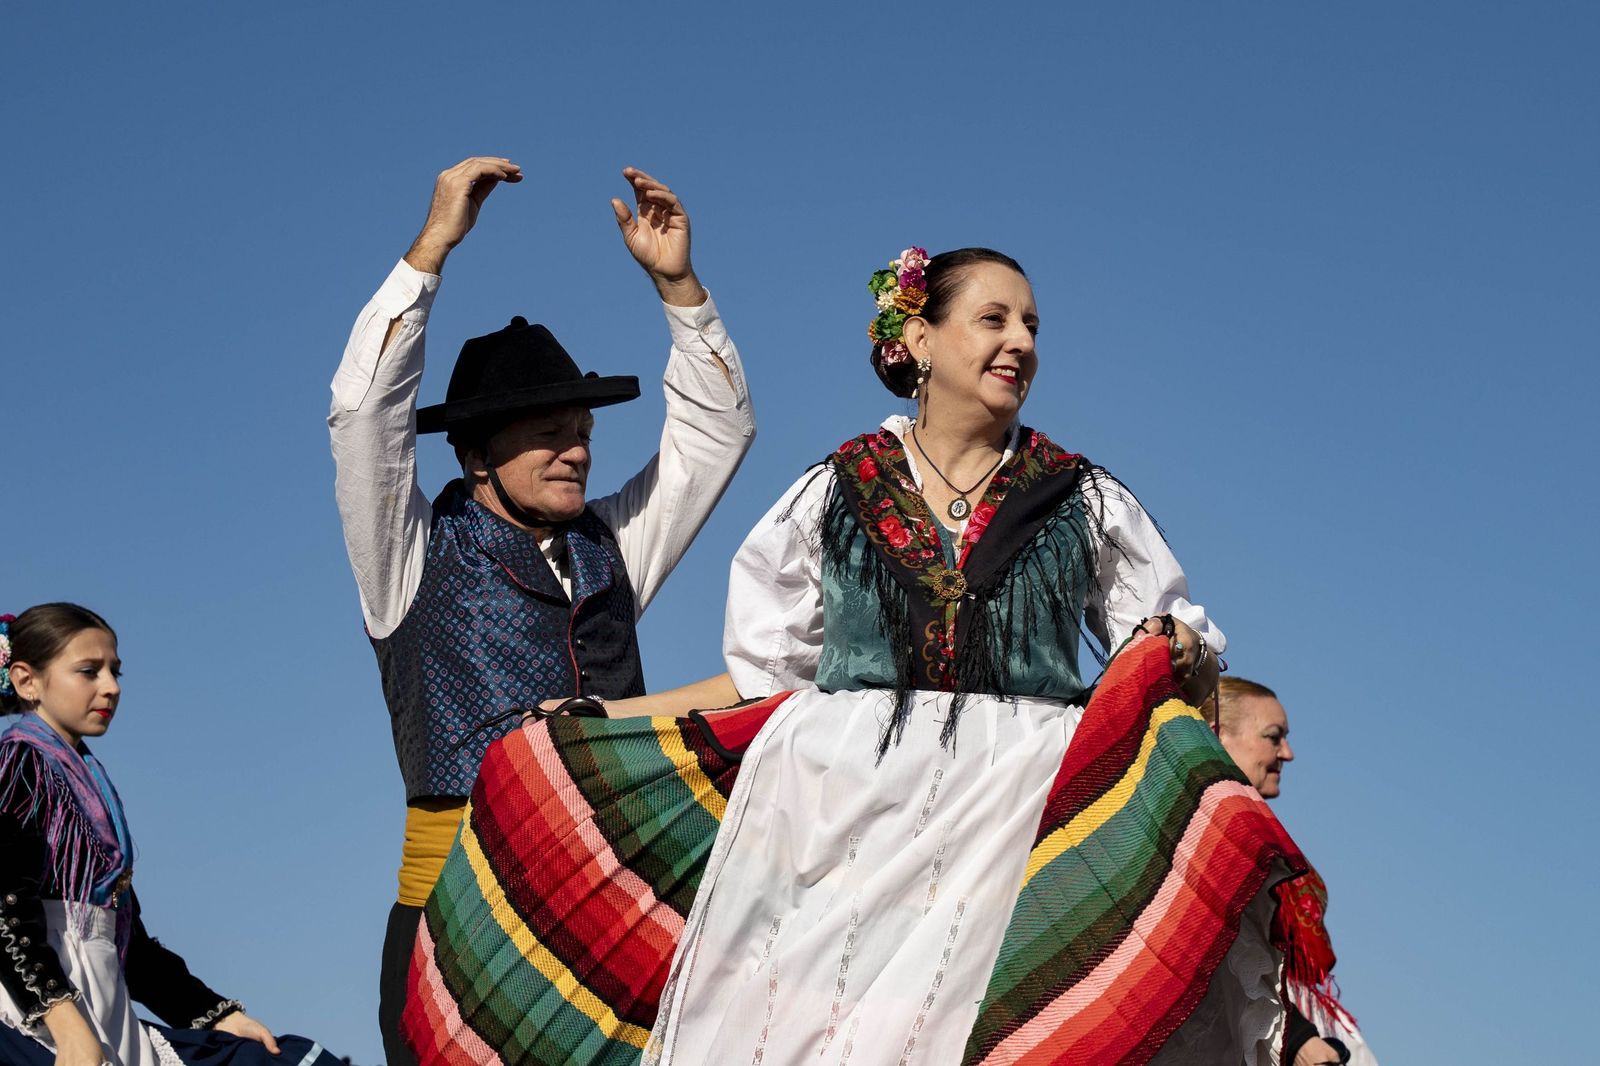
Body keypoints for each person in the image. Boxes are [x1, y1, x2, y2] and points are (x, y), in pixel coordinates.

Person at [405, 247, 1308, 1066]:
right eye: (993, 319)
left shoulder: (1083, 495)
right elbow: (766, 674)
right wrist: (608, 721)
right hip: (849, 807)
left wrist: (1179, 644)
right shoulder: (834, 489)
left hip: (1023, 802)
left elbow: (1171, 632)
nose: (1019, 342)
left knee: (1002, 1024)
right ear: (919, 335)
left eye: (1031, 325)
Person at [328, 157, 754, 1065]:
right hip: (458, 922)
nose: (577, 451)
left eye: (584, 431)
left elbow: (716, 433)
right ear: (475, 453)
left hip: (620, 913)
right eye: (549, 432)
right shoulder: (405, 557)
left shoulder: (614, 546)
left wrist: (678, 285)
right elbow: (364, 415)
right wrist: (433, 245)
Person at [0, 604, 342, 1066]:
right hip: (33, 1015)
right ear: (26, 681)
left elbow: (130, 947)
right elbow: (4, 907)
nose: (111, 687)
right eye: (88, 671)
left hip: (102, 1009)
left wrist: (213, 1015)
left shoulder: (87, 782)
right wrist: (70, 1032)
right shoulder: (20, 767)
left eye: (115, 671)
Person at [1213, 677, 1380, 1066]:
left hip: (1291, 1014)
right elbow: (1215, 940)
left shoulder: (1258, 830)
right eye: (1273, 737)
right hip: (1257, 1026)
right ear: (1217, 735)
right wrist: (1298, 1038)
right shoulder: (1207, 830)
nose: (1287, 753)